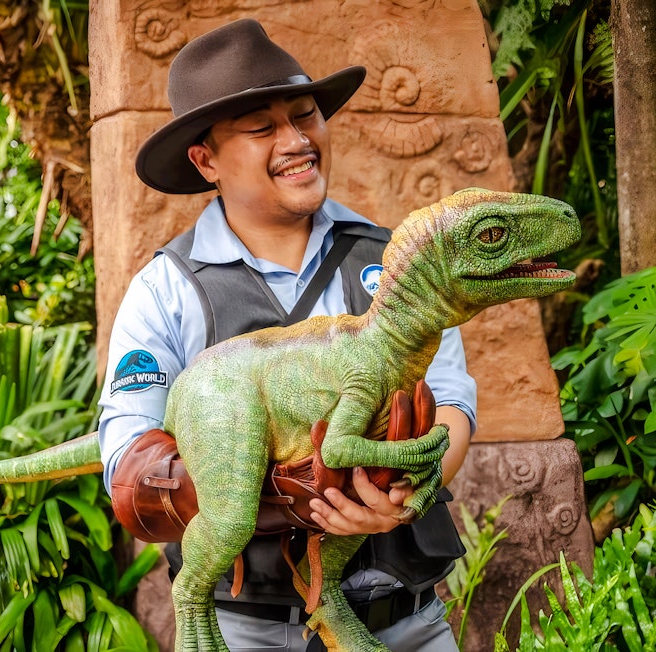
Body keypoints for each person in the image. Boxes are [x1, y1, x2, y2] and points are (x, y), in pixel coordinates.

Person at [98, 18, 477, 652]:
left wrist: (401, 494)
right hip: (242, 630)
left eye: (305, 115)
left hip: (404, 622)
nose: (297, 140)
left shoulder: (399, 262)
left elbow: (452, 406)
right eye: (262, 128)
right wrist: (269, 488)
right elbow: (129, 456)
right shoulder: (164, 290)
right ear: (206, 159)